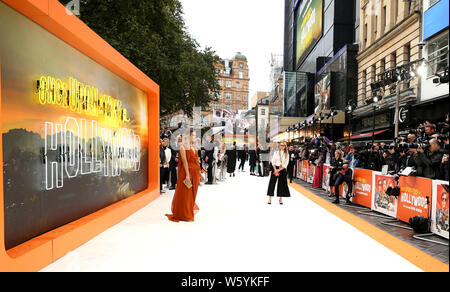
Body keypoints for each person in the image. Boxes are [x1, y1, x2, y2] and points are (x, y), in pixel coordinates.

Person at [166, 129, 204, 222]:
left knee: (193, 193)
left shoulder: (194, 147)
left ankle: (188, 211)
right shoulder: (182, 147)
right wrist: (187, 175)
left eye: (194, 135)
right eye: (193, 135)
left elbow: (196, 161)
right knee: (186, 193)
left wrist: (200, 174)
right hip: (187, 173)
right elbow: (185, 162)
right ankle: (184, 214)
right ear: (188, 136)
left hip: (195, 173)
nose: (194, 137)